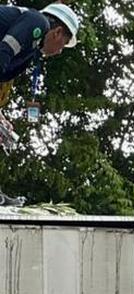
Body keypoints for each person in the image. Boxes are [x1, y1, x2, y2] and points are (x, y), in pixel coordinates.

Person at [0, 3, 80, 202]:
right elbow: (3, 52)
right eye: (64, 43)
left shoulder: (31, 52)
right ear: (57, 32)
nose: (60, 51)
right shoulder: (37, 21)